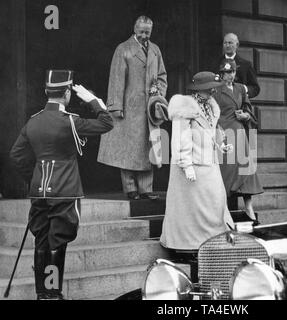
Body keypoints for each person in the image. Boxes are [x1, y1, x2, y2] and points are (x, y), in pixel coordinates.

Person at [9, 70, 114, 300]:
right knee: (57, 242)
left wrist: (33, 177)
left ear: (47, 92)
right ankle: (53, 293)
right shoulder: (70, 121)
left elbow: (16, 155)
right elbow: (107, 122)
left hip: (39, 191)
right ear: (67, 93)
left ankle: (42, 294)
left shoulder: (33, 121)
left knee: (42, 240)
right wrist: (92, 100)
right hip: (64, 190)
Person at [160, 72, 234, 251]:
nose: (212, 92)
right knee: (191, 208)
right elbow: (180, 139)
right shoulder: (185, 108)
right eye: (208, 89)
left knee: (216, 200)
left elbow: (210, 131)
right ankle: (189, 245)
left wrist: (220, 145)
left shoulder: (210, 106)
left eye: (212, 89)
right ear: (198, 90)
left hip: (209, 164)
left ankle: (213, 241)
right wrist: (186, 165)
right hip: (191, 165)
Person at [97, 16, 167, 200]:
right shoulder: (124, 49)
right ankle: (131, 189)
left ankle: (146, 189)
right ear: (134, 29)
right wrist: (115, 106)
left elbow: (162, 76)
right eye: (142, 32)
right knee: (128, 149)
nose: (145, 35)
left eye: (148, 32)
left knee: (148, 147)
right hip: (130, 107)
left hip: (149, 108)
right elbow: (116, 78)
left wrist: (158, 93)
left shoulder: (155, 50)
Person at [213, 59, 263, 224]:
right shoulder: (216, 90)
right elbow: (212, 113)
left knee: (245, 170)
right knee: (226, 171)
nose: (230, 75)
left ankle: (249, 208)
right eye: (227, 72)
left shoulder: (241, 88)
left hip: (240, 132)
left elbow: (248, 108)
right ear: (221, 73)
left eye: (232, 72)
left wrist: (246, 116)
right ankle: (224, 211)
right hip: (224, 133)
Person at [218, 33, 260, 99]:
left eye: (230, 43)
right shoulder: (216, 62)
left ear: (237, 45)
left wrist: (244, 89)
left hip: (239, 104)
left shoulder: (246, 65)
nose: (227, 45)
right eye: (225, 43)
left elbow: (255, 88)